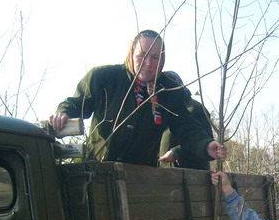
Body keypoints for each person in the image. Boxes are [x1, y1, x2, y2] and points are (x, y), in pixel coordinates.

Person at [49, 30, 225, 166]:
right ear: (131, 54)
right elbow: (77, 104)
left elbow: (186, 128)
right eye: (142, 55)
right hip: (98, 169)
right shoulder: (103, 78)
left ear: (163, 59)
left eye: (155, 57)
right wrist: (63, 113)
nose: (148, 63)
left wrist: (205, 145)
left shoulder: (168, 91)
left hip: (140, 176)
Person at [159, 71, 212, 170]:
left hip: (191, 175)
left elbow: (205, 141)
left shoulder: (195, 108)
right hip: (164, 174)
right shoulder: (161, 110)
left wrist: (177, 153)